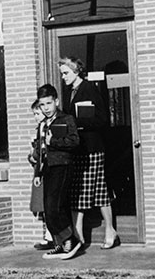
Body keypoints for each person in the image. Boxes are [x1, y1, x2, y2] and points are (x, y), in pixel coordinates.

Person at [59, 57, 120, 249]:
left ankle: (80, 235)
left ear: (76, 70)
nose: (63, 77)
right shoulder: (70, 92)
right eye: (62, 74)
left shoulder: (89, 89)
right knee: (96, 191)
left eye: (66, 73)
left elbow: (102, 119)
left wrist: (78, 123)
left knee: (83, 191)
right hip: (79, 149)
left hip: (92, 148)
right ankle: (107, 231)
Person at [37, 84, 81, 259]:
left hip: (62, 166)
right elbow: (41, 146)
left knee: (53, 206)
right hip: (48, 168)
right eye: (42, 105)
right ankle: (61, 245)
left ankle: (71, 240)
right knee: (52, 209)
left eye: (49, 103)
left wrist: (53, 141)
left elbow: (74, 141)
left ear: (56, 101)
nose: (46, 108)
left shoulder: (66, 118)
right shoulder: (42, 123)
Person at [27, 99, 54, 250]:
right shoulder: (40, 128)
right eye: (34, 114)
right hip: (40, 171)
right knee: (44, 206)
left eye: (37, 113)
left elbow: (43, 152)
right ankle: (48, 235)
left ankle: (51, 236)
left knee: (49, 205)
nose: (36, 117)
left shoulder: (47, 128)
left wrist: (35, 155)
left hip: (47, 170)